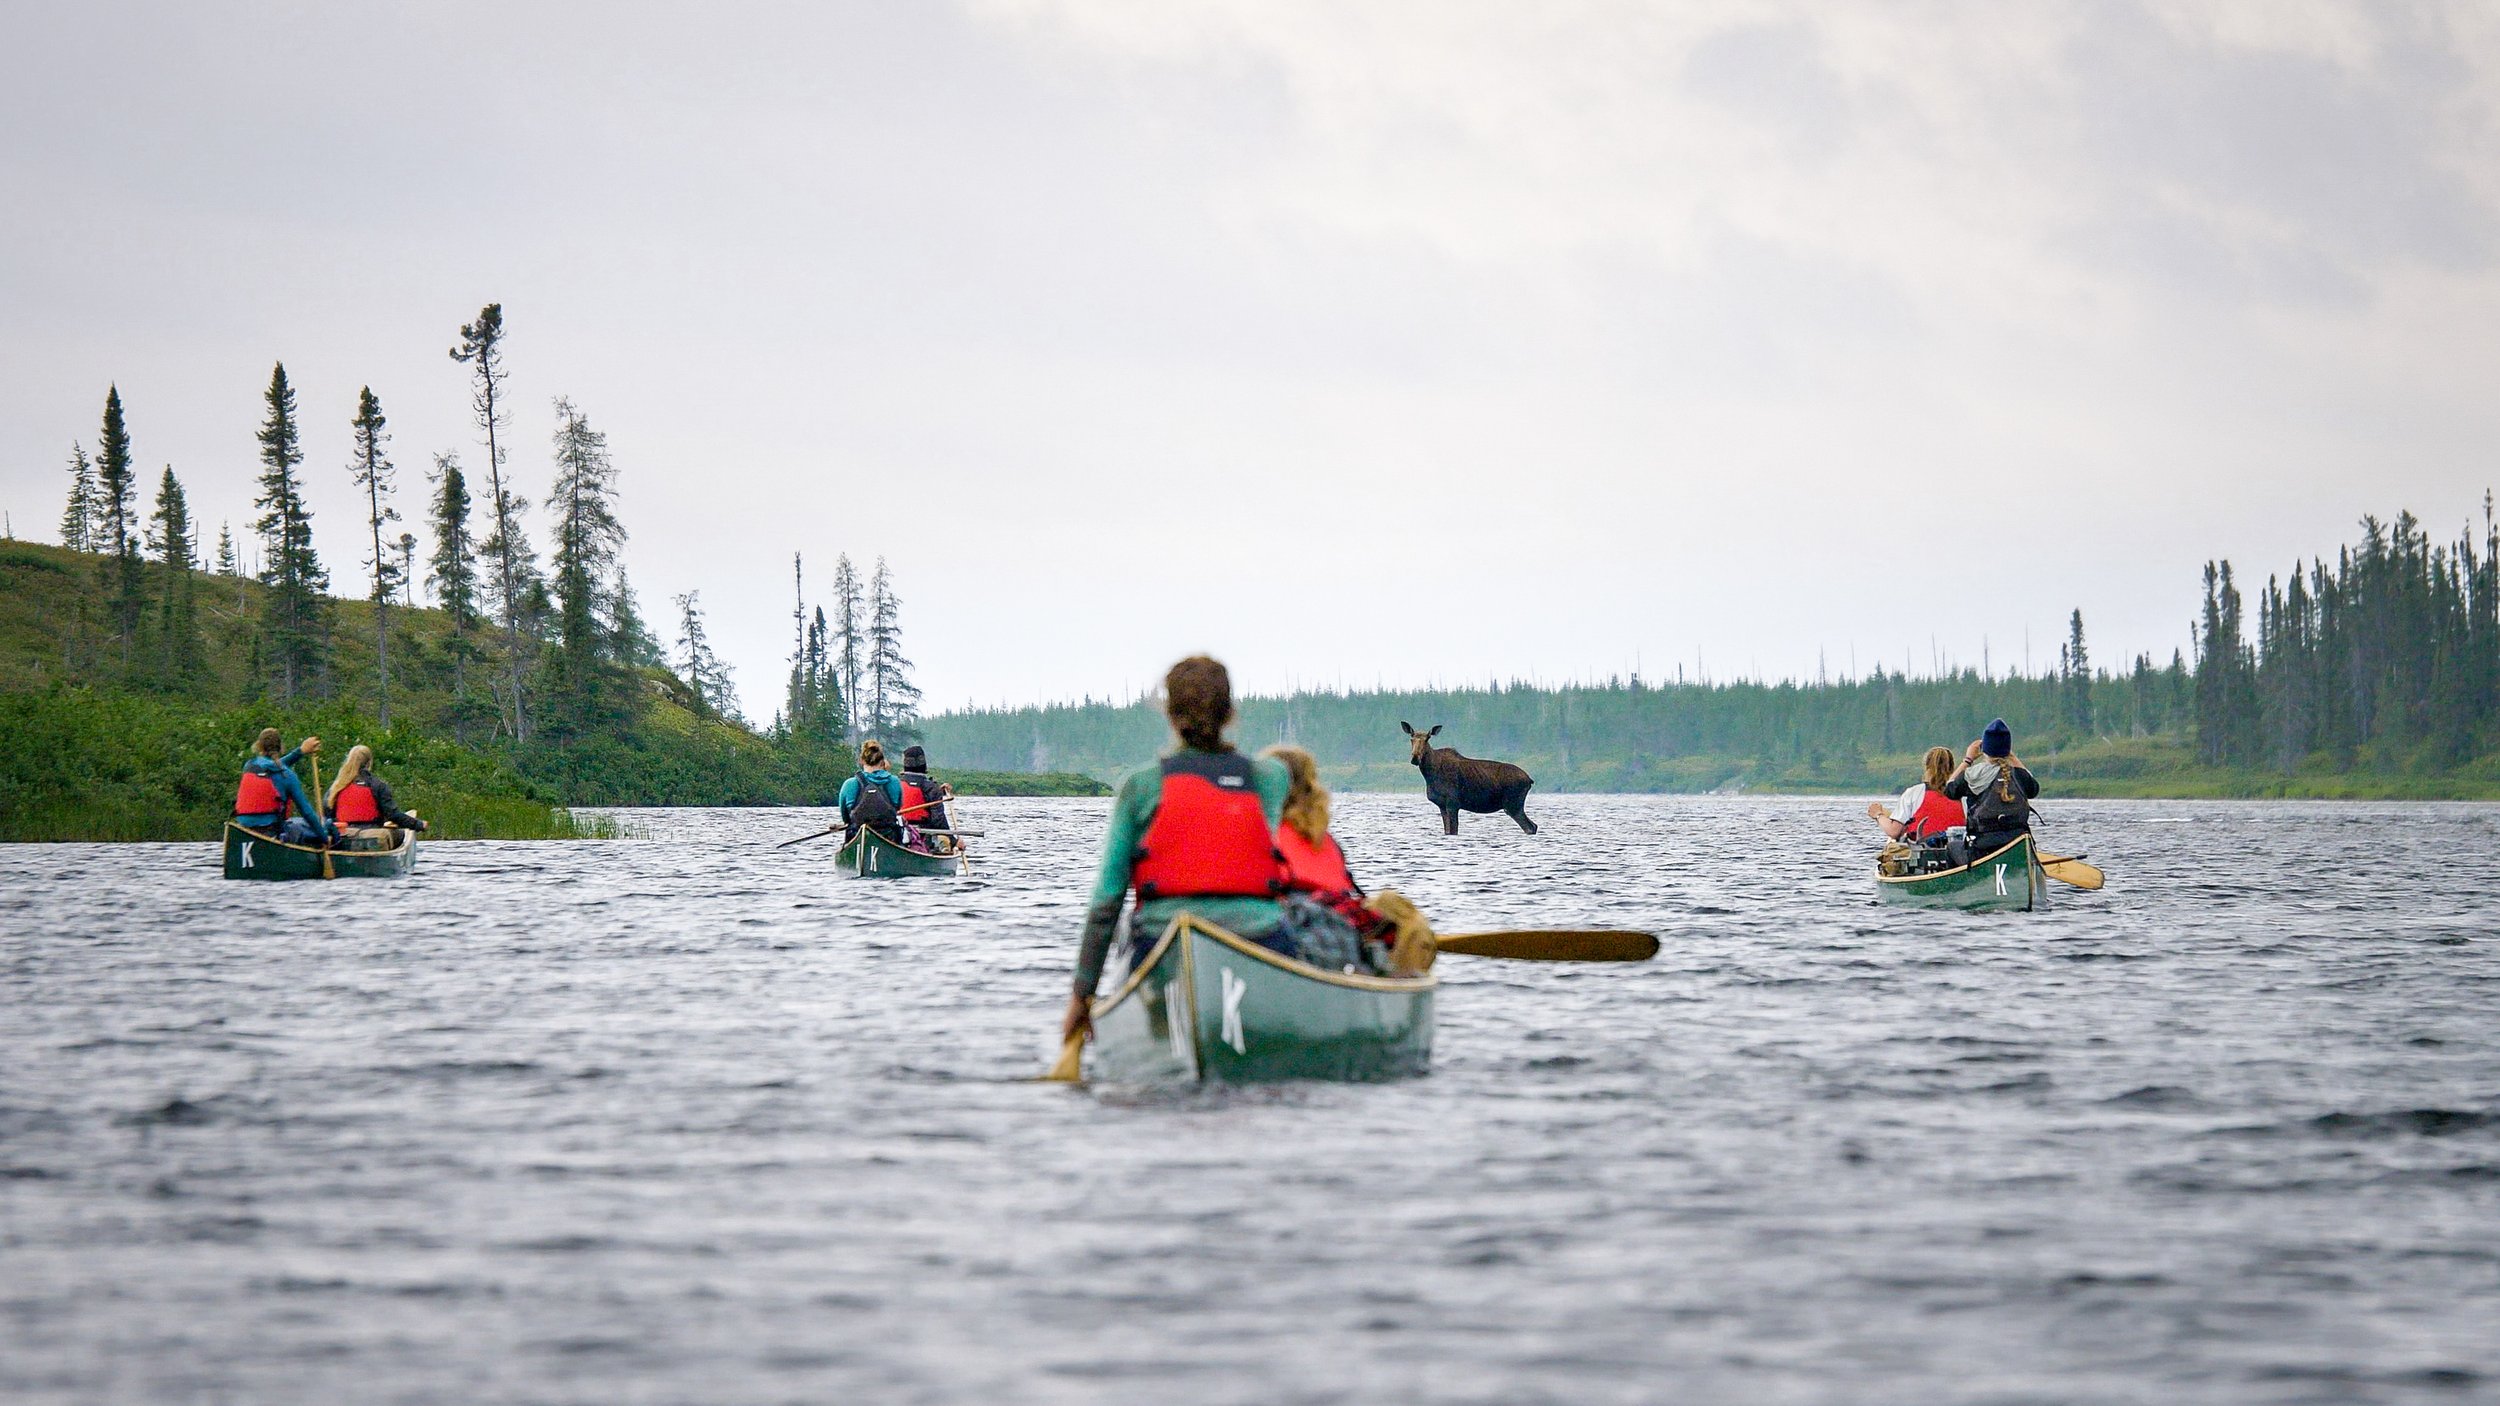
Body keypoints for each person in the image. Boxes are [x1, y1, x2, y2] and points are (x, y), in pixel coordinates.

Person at [1061, 656, 1289, 1046]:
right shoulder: (1271, 778)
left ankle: (1169, 1041)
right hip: (1261, 939)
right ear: (1230, 712)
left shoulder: (1140, 786)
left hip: (1161, 941)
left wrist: (1082, 994)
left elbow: (1107, 900)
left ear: (1169, 713)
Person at [1944, 718, 2039, 857]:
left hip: (1983, 849)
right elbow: (2033, 789)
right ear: (2008, 749)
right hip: (2018, 844)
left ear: (1985, 749)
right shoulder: (2019, 775)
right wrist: (2011, 756)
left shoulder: (1973, 774)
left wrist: (1968, 759)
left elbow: (1950, 789)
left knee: (1952, 847)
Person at [232, 728, 337, 846]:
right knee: (315, 826)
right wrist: (324, 837)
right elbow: (307, 812)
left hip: (244, 830)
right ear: (281, 747)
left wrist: (301, 751)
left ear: (259, 746)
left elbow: (272, 765)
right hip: (271, 831)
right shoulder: (287, 775)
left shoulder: (250, 766)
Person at [324, 744, 428, 842]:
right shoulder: (377, 785)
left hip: (343, 835)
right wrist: (418, 824)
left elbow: (327, 815)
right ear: (369, 763)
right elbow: (393, 815)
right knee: (400, 834)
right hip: (371, 834)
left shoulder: (336, 787)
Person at [1866, 746, 1967, 844]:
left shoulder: (1914, 793)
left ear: (1926, 767)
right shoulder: (1963, 795)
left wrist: (1878, 815)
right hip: (1957, 849)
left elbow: (1894, 831)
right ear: (1952, 767)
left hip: (1922, 850)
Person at [837, 739, 905, 844]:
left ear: (862, 760)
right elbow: (898, 808)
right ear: (882, 760)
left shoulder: (849, 784)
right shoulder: (894, 782)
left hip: (858, 837)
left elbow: (845, 818)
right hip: (888, 838)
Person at [897, 744, 953, 847]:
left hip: (899, 835)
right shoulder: (931, 787)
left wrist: (940, 792)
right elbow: (938, 821)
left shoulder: (896, 784)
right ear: (923, 764)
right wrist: (954, 842)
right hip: (923, 837)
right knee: (943, 843)